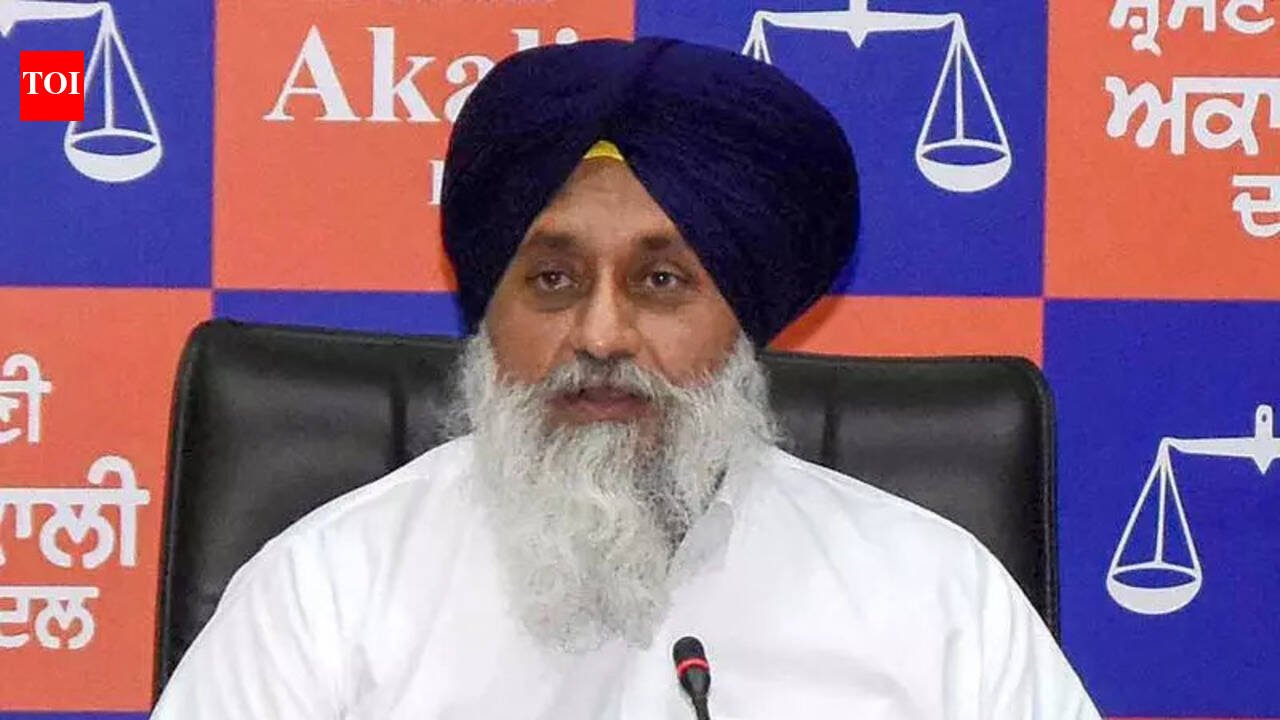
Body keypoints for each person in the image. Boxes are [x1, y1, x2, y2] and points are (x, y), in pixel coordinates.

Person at [151, 37, 1101, 719]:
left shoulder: (931, 595)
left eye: (662, 281)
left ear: (741, 320)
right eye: (552, 279)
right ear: (490, 312)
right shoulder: (329, 590)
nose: (601, 334)